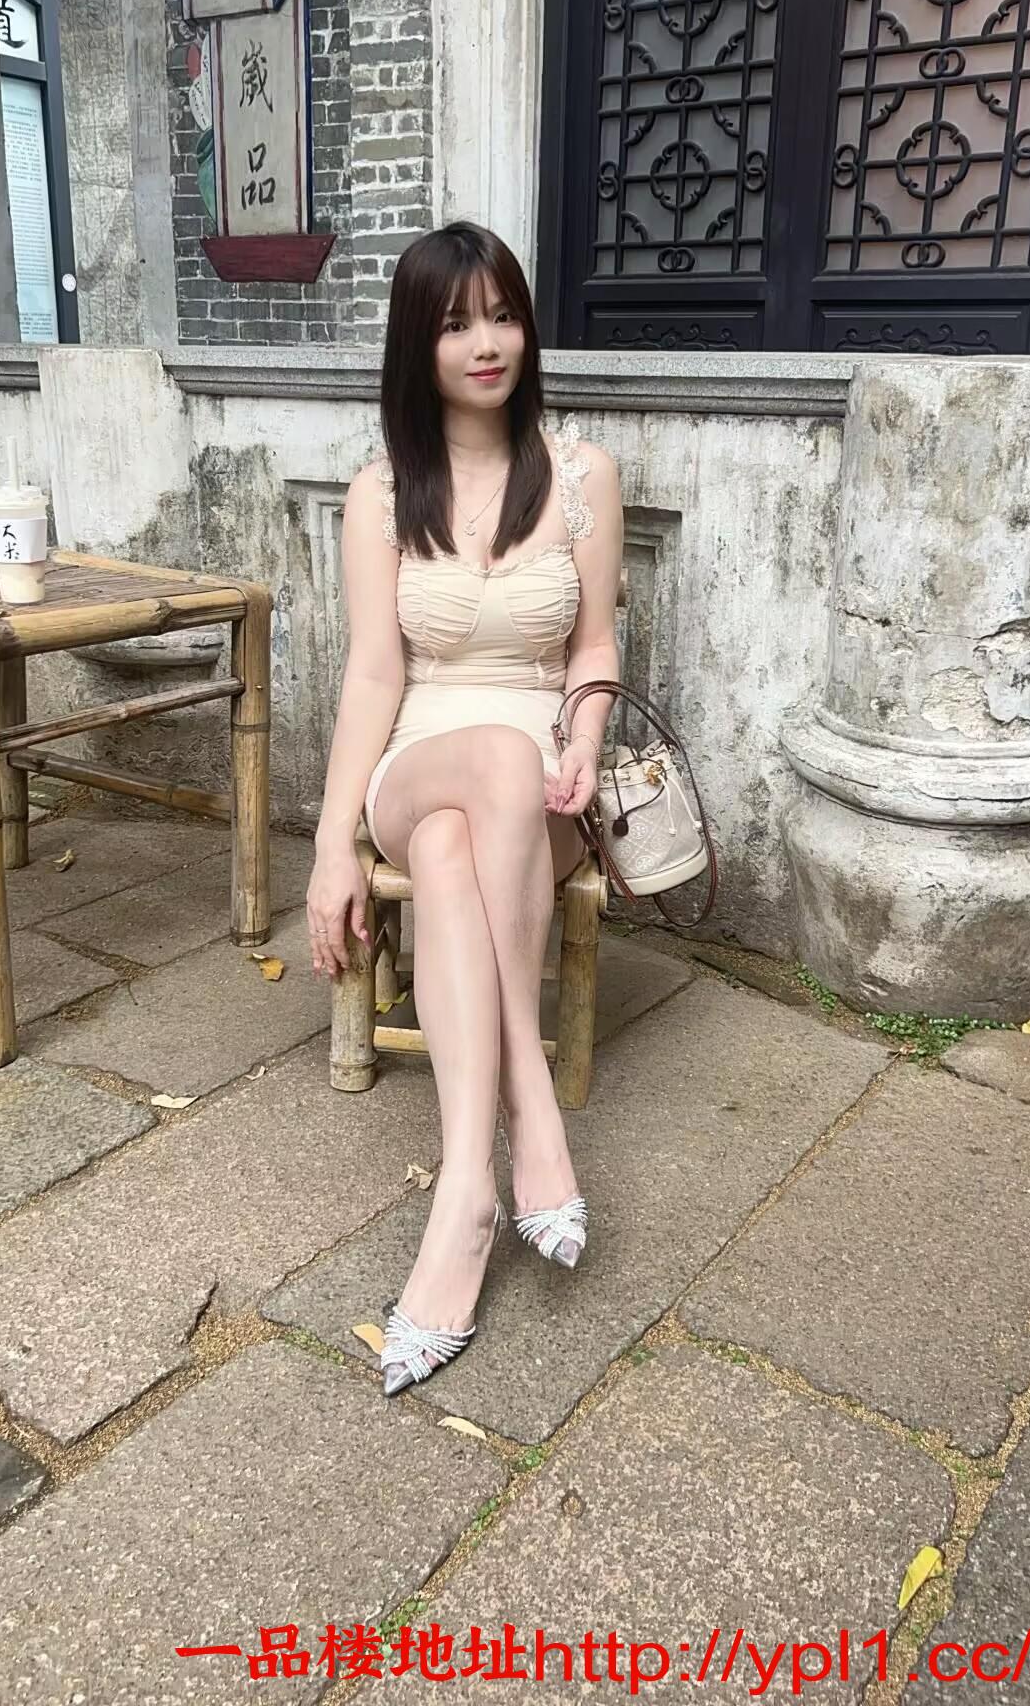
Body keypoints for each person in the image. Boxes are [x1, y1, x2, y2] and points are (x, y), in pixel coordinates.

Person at [306, 221, 624, 1397]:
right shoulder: (380, 495)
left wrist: (582, 742)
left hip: (539, 784)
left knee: (454, 849)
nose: (486, 343)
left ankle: (467, 1196)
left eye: (502, 316)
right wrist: (332, 843)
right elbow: (373, 676)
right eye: (455, 324)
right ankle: (531, 1114)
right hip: (418, 757)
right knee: (472, 770)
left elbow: (592, 648)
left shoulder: (583, 476)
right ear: (418, 345)